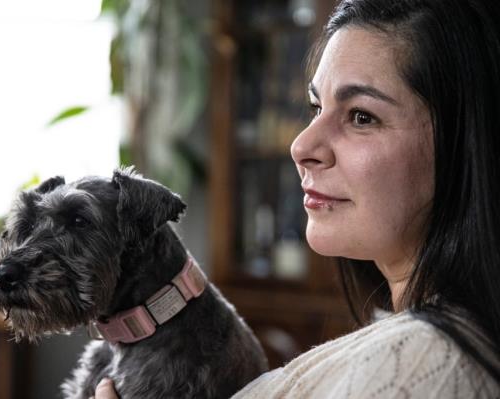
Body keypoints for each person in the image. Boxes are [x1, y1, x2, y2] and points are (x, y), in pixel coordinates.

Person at [94, 0, 500, 397]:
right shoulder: (408, 344)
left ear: (464, 145)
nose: (301, 144)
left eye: (361, 116)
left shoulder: (421, 367)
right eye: (315, 106)